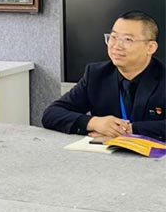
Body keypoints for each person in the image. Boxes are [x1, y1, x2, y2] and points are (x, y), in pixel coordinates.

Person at [42, 11, 165, 141]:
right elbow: (52, 113)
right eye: (113, 37)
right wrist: (94, 123)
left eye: (128, 40)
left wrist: (129, 129)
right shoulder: (96, 75)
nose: (116, 46)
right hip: (105, 152)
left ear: (151, 47)